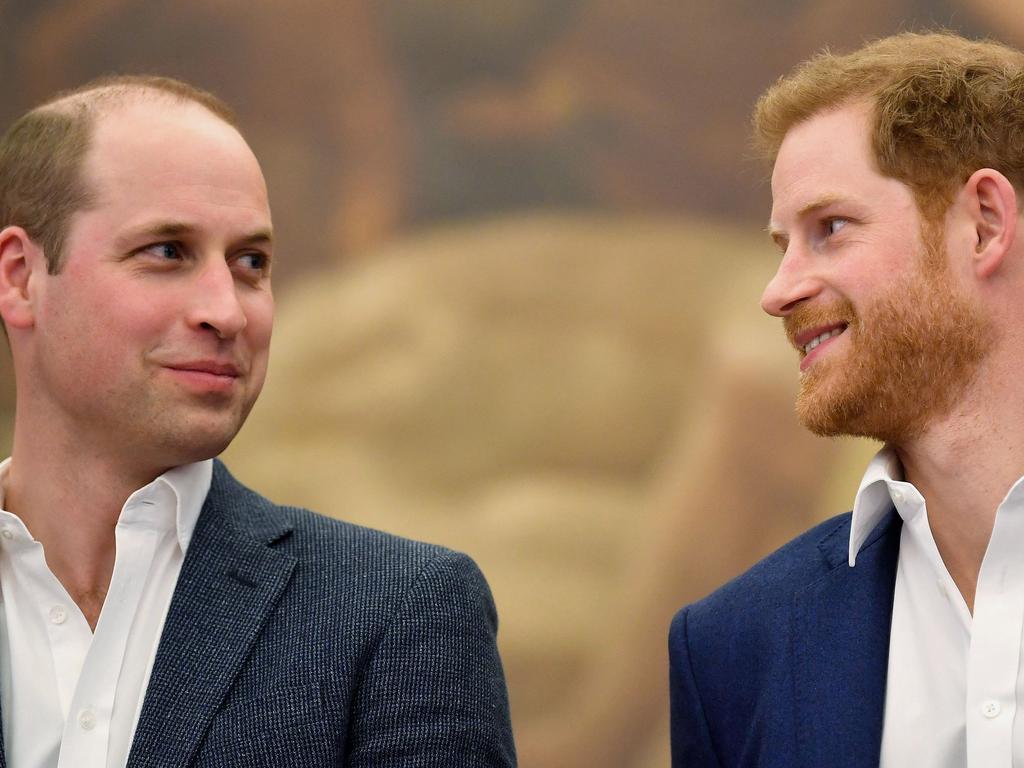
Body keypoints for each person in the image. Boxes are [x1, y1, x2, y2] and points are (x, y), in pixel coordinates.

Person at [0, 75, 515, 767]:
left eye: (251, 263)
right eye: (167, 251)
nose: (229, 310)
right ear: (20, 277)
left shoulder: (400, 613)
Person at [668, 30, 1024, 767]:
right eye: (781, 245)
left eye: (829, 228)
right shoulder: (734, 646)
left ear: (985, 224)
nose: (777, 292)